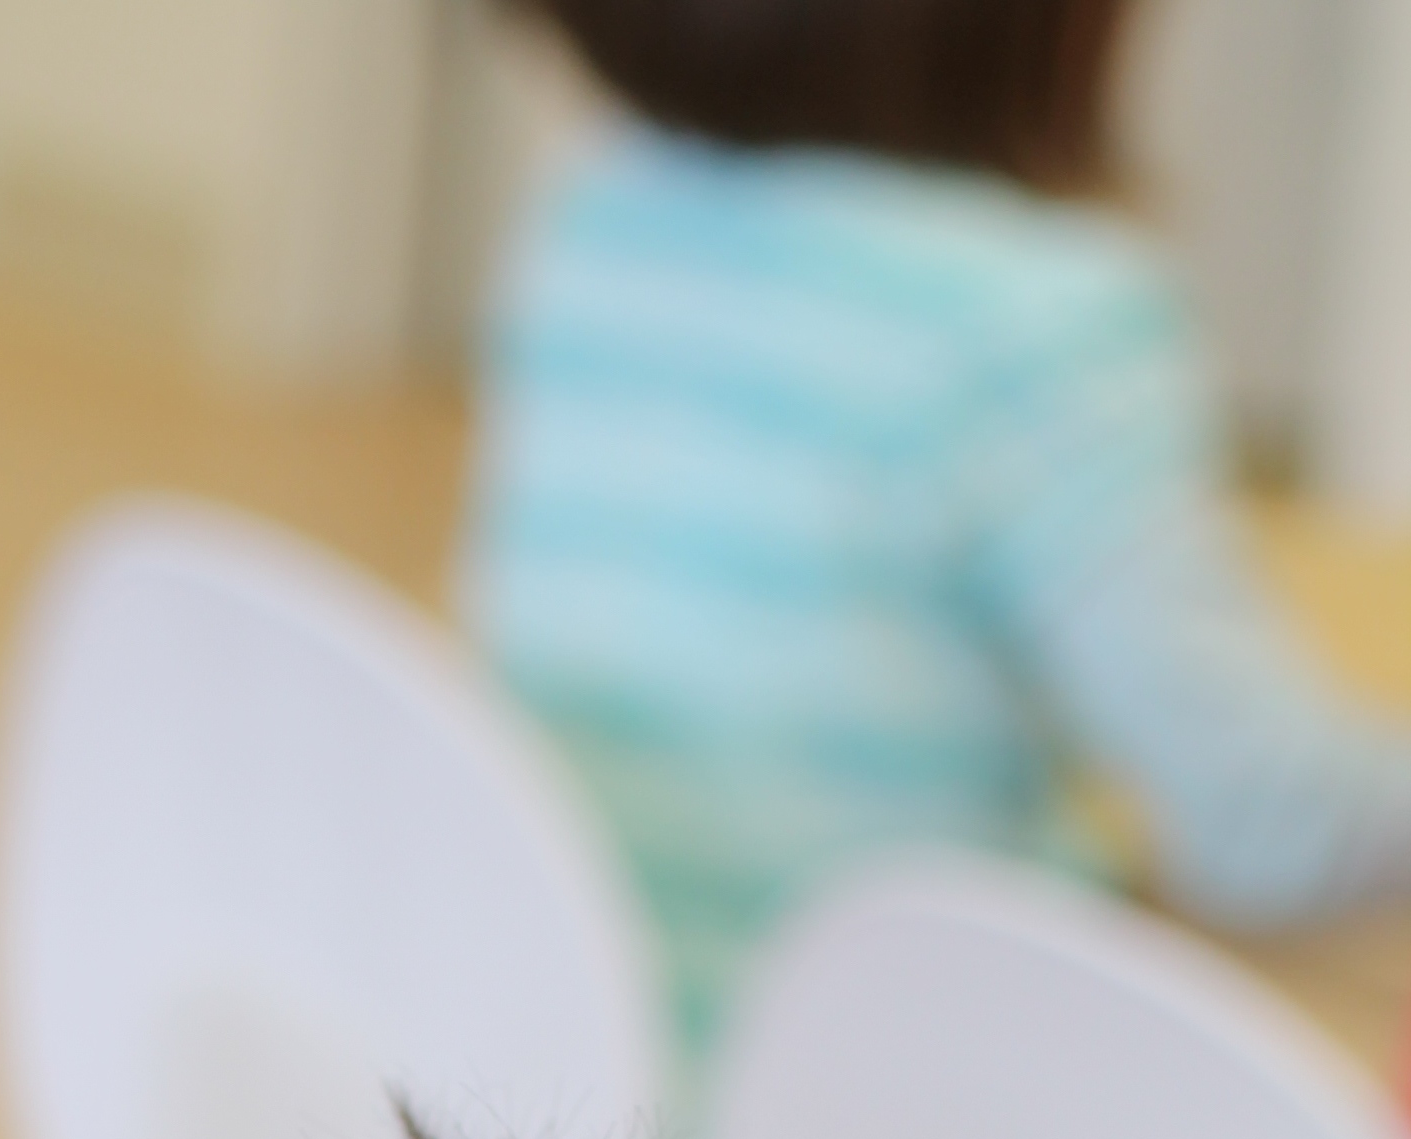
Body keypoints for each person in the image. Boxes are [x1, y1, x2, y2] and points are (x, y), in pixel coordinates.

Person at [465, 0, 1411, 1048]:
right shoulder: (1033, 317)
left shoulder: (598, 216)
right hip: (880, 1096)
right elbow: (1270, 827)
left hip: (583, 1064)